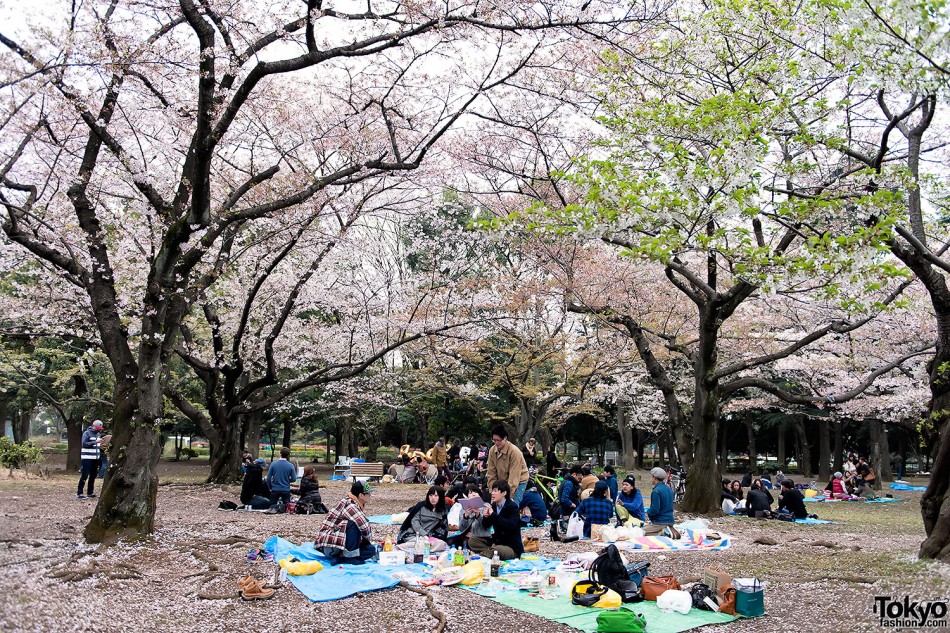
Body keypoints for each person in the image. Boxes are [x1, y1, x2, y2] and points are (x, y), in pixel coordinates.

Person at [313, 481, 376, 564]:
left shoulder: (354, 502)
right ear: (361, 495)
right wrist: (366, 539)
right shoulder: (350, 504)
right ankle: (349, 557)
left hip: (339, 544)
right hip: (330, 545)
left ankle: (341, 558)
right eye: (368, 494)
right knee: (353, 524)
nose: (370, 496)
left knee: (370, 550)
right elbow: (364, 527)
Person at [468, 480, 523, 560]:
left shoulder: (512, 507)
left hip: (511, 546)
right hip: (496, 542)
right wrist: (482, 516)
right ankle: (490, 552)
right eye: (492, 490)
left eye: (495, 491)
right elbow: (486, 525)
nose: (492, 493)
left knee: (497, 550)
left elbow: (511, 526)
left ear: (504, 493)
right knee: (472, 541)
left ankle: (483, 554)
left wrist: (493, 515)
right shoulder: (493, 506)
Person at [486, 425, 529, 505]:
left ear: (505, 438)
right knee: (496, 504)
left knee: (512, 505)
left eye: (498, 440)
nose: (496, 443)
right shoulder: (492, 451)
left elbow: (514, 478)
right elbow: (491, 474)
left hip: (519, 481)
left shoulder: (515, 452)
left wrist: (508, 497)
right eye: (494, 440)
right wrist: (493, 493)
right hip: (502, 481)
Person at [397, 485, 449, 550]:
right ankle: (401, 547)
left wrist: (433, 537)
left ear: (440, 497)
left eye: (436, 496)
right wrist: (423, 534)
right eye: (431, 495)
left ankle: (414, 547)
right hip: (413, 534)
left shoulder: (443, 510)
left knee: (442, 544)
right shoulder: (421, 506)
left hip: (430, 536)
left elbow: (443, 528)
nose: (433, 498)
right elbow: (414, 522)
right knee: (421, 543)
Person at [77, 419, 106, 500]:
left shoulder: (98, 434)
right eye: (97, 428)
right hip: (87, 458)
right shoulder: (87, 433)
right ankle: (80, 493)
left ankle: (90, 492)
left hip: (96, 458)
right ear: (93, 426)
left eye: (100, 429)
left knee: (93, 475)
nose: (98, 430)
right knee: (85, 475)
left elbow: (97, 446)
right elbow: (84, 444)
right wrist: (95, 442)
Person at [645, 467, 678, 537]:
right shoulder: (669, 489)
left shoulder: (656, 491)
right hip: (670, 520)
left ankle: (663, 533)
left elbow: (655, 509)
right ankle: (666, 530)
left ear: (654, 477)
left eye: (652, 477)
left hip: (660, 521)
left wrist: (648, 512)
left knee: (642, 531)